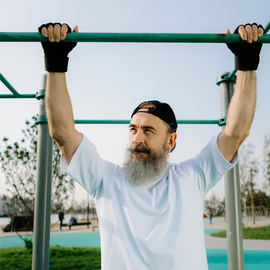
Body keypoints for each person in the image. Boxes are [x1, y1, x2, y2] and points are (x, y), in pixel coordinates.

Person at [38, 22, 264, 270]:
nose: (137, 139)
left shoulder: (193, 176)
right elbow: (62, 133)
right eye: (133, 129)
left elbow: (236, 132)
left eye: (148, 130)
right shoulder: (106, 179)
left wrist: (247, 61)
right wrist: (56, 60)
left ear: (171, 141)